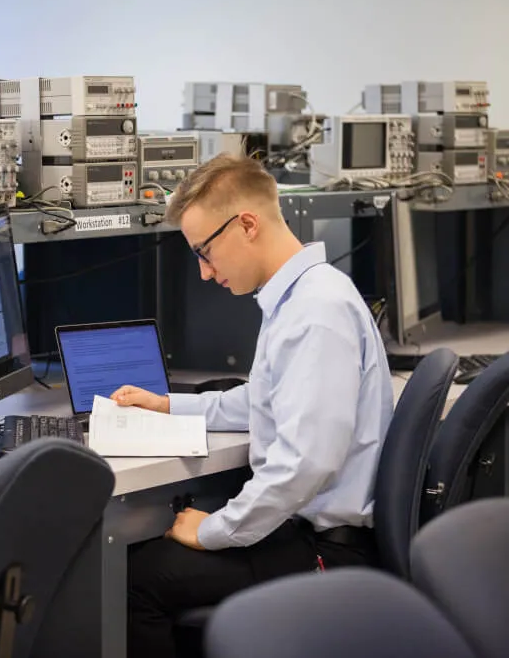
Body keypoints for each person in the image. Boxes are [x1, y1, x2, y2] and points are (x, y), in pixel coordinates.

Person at [112, 153, 393, 658]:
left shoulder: (315, 312)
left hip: (329, 550)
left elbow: (305, 463)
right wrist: (170, 405)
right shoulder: (302, 295)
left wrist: (217, 530)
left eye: (204, 251)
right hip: (311, 530)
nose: (202, 272)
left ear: (246, 225)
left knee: (133, 581)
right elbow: (265, 401)